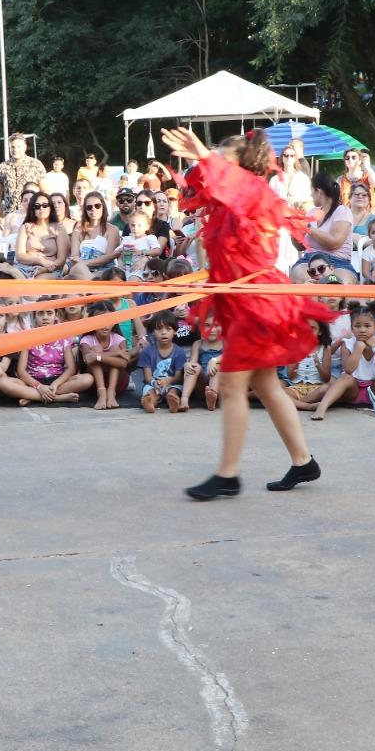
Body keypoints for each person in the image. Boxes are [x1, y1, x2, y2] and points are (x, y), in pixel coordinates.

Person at [160, 127, 333, 500]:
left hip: (259, 305)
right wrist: (198, 159)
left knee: (232, 385)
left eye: (222, 155)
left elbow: (230, 186)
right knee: (266, 384)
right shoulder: (231, 200)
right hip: (249, 303)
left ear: (238, 163)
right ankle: (303, 461)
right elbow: (206, 191)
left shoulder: (253, 192)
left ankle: (227, 474)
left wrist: (203, 154)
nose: (215, 161)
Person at [291, 170, 356, 283]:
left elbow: (334, 242)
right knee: (301, 276)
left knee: (339, 283)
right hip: (310, 261)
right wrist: (294, 228)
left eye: (311, 191)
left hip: (337, 262)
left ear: (318, 191)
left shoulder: (342, 211)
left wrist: (308, 227)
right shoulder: (314, 212)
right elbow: (300, 247)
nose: (310, 195)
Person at [0, 133, 45, 228]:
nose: (15, 150)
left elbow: (45, 192)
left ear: (25, 147)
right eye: (12, 147)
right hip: (10, 219)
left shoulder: (36, 165)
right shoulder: (3, 167)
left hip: (31, 217)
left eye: (18, 146)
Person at [270, 142, 312, 209]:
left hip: (297, 216)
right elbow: (270, 200)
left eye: (292, 155)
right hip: (280, 216)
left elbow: (309, 199)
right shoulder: (274, 180)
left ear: (295, 158)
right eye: (286, 155)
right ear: (282, 157)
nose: (289, 157)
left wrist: (300, 203)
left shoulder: (303, 178)